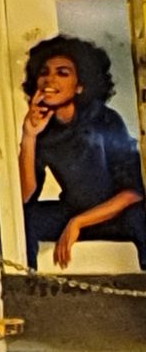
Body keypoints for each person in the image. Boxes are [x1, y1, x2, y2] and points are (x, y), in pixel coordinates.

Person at [19, 35, 146, 269]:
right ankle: (28, 289)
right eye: (44, 72)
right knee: (25, 219)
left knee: (141, 217)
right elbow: (26, 196)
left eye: (62, 73)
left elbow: (134, 192)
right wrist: (29, 136)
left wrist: (78, 222)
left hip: (115, 214)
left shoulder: (105, 120)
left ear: (80, 85)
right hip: (73, 209)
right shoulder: (43, 130)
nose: (50, 79)